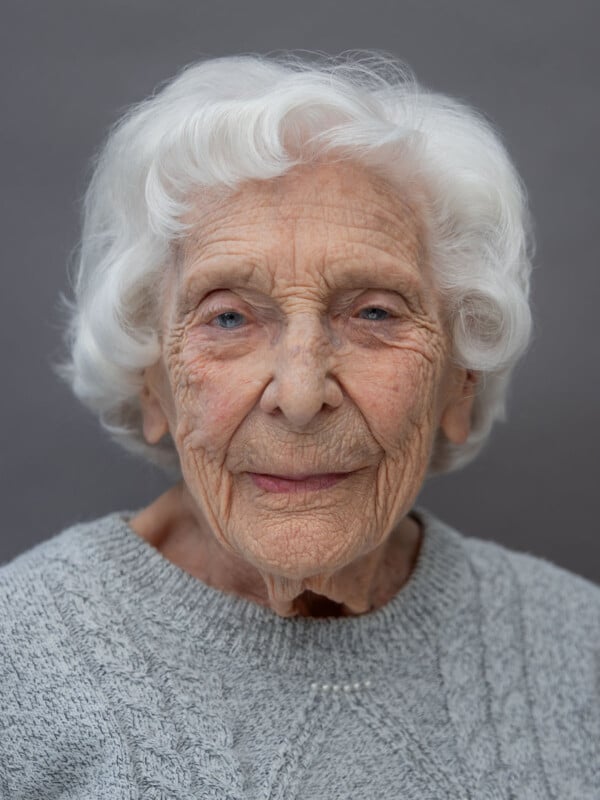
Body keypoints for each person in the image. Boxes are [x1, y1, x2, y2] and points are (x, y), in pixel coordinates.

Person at [1, 53, 598, 799]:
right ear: (150, 380)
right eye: (228, 316)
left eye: (374, 312)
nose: (301, 392)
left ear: (459, 378)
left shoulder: (580, 648)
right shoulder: (17, 659)